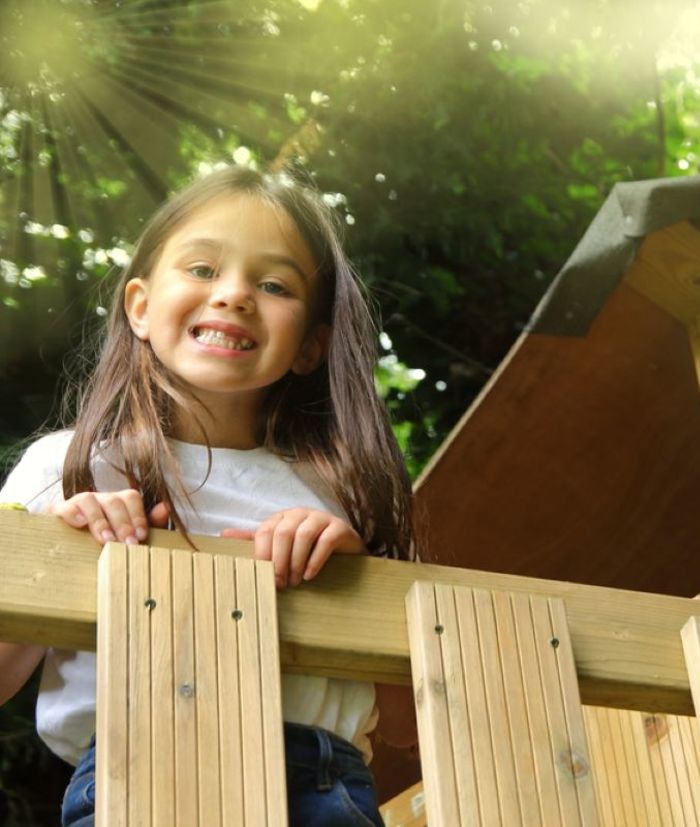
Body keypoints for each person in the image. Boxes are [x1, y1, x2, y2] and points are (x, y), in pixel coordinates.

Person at [0, 165, 418, 826]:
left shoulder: (341, 492)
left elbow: (408, 722)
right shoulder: (71, 467)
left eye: (274, 283)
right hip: (136, 777)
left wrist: (359, 575)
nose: (234, 295)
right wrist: (53, 550)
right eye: (201, 268)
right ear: (139, 306)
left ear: (311, 344)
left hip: (323, 784)